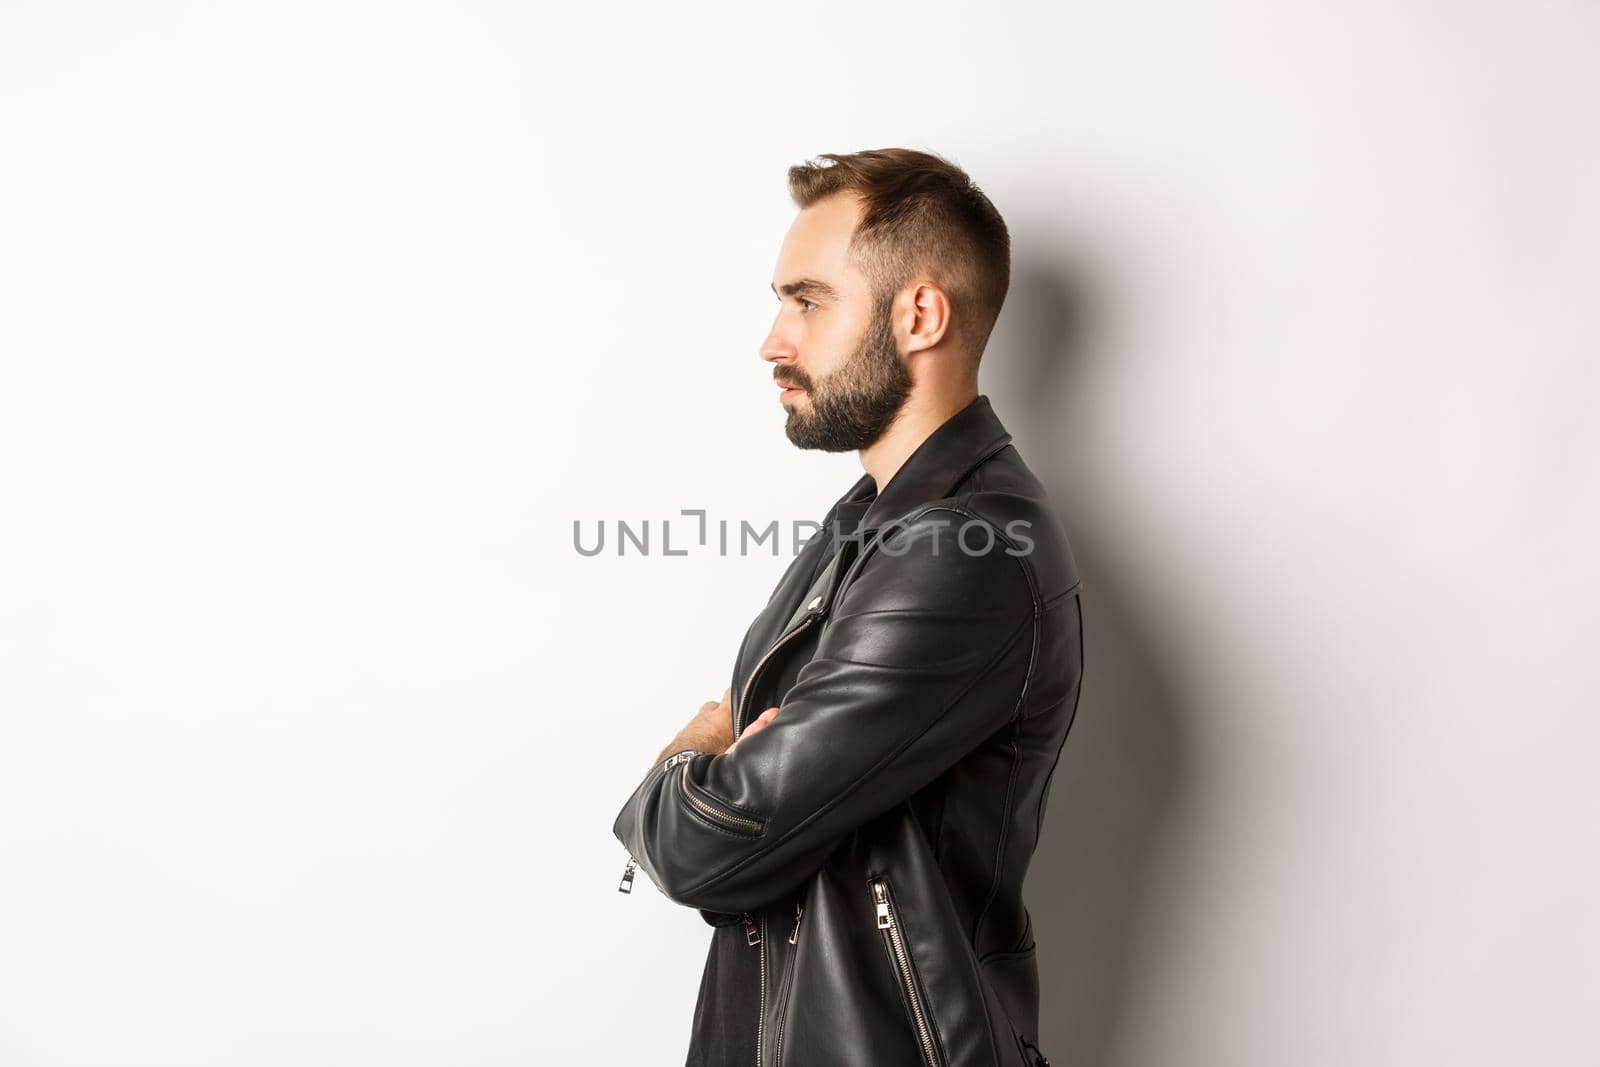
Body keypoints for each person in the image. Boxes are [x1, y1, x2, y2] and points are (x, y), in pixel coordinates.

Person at [612, 147, 1082, 1067]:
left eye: (808, 300)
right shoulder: (876, 523)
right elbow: (753, 843)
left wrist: (687, 757)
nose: (773, 340)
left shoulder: (962, 551)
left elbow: (712, 848)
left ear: (919, 314)